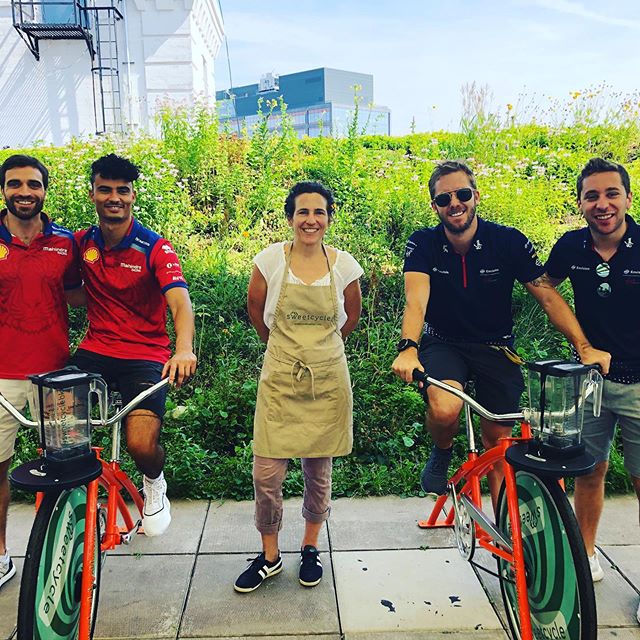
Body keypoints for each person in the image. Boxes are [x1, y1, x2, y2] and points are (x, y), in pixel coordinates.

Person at [391, 160, 611, 507]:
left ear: (476, 195)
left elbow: (547, 296)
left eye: (462, 194)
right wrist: (408, 348)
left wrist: (583, 347)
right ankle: (443, 449)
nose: (455, 204)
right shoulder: (422, 243)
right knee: (446, 408)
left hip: (496, 347)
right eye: (444, 199)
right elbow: (416, 300)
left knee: (499, 444)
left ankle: (507, 538)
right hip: (443, 343)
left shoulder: (507, 241)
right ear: (435, 206)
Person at [234, 181, 363, 593]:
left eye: (319, 212)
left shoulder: (344, 265)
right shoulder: (270, 259)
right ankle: (269, 556)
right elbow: (256, 310)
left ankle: (310, 547)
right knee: (266, 474)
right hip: (281, 376)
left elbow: (351, 317)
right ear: (290, 218)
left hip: (327, 379)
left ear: (329, 218)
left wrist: (322, 353)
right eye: (303, 212)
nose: (311, 220)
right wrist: (285, 350)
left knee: (318, 473)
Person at [71, 154, 196, 537]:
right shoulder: (80, 243)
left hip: (145, 354)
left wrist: (184, 349)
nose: (114, 198)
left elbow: (179, 302)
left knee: (141, 443)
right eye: (105, 189)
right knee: (60, 432)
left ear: (133, 196)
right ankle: (69, 503)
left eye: (121, 191)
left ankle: (154, 482)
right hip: (95, 350)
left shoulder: (154, 247)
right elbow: (65, 291)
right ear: (92, 193)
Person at [545, 157, 640, 623]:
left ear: (627, 196)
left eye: (611, 194)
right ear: (581, 203)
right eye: (592, 196)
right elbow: (543, 286)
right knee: (589, 471)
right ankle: (585, 555)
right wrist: (581, 342)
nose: (602, 204)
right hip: (593, 383)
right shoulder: (570, 246)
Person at [0, 155, 83, 590]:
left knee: (65, 467)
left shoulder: (66, 243)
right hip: (1, 378)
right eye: (15, 184)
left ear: (45, 190)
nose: (25, 192)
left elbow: (79, 298)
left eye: (33, 184)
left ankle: (63, 550)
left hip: (55, 377)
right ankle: (0, 556)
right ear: (3, 191)